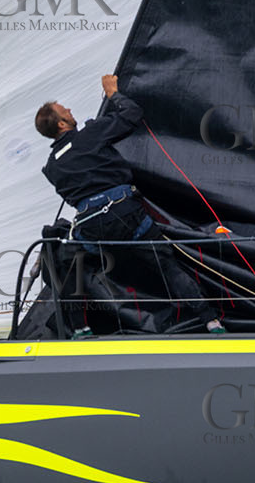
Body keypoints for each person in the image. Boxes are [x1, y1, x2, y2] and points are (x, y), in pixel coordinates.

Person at [34, 74, 224, 334]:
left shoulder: (50, 166)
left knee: (68, 265)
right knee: (167, 267)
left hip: (91, 229)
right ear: (63, 122)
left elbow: (70, 196)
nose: (69, 109)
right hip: (126, 214)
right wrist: (113, 93)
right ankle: (212, 321)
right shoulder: (90, 134)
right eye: (64, 110)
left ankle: (79, 329)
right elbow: (132, 113)